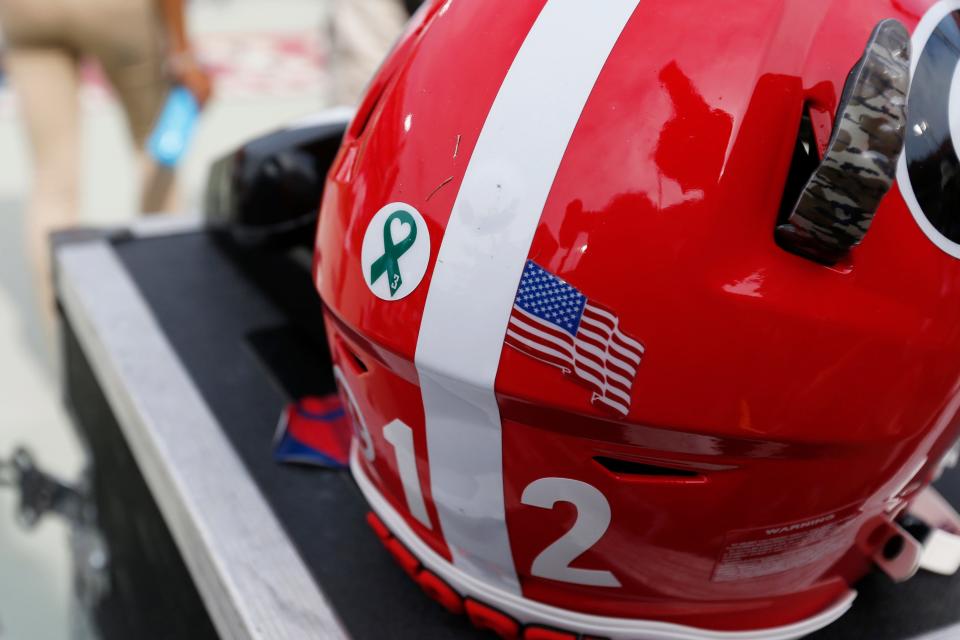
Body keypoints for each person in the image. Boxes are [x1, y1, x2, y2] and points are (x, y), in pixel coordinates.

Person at [0, 0, 212, 327]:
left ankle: (66, 346)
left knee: (52, 183)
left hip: (29, 12)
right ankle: (168, 312)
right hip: (115, 10)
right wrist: (182, 50)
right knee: (154, 152)